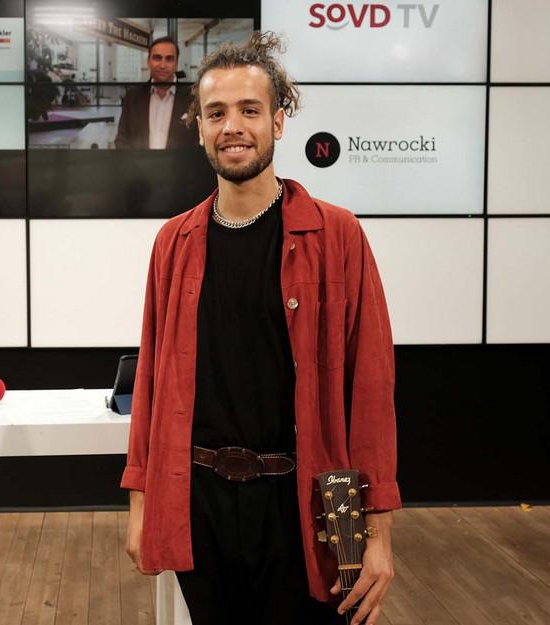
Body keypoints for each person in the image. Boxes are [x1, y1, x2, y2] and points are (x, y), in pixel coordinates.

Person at [122, 32, 399, 625]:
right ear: (198, 128)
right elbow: (153, 378)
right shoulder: (174, 242)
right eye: (217, 113)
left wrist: (376, 532)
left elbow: (370, 389)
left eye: (250, 110)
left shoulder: (337, 235)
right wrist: (141, 501)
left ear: (277, 120)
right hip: (200, 502)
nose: (233, 127)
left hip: (313, 504)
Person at [114, 36, 197, 150]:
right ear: (148, 61)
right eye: (157, 58)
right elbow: (122, 140)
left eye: (169, 59)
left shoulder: (193, 98)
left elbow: (199, 142)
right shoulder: (133, 96)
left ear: (176, 63)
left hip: (179, 167)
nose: (162, 65)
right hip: (139, 166)